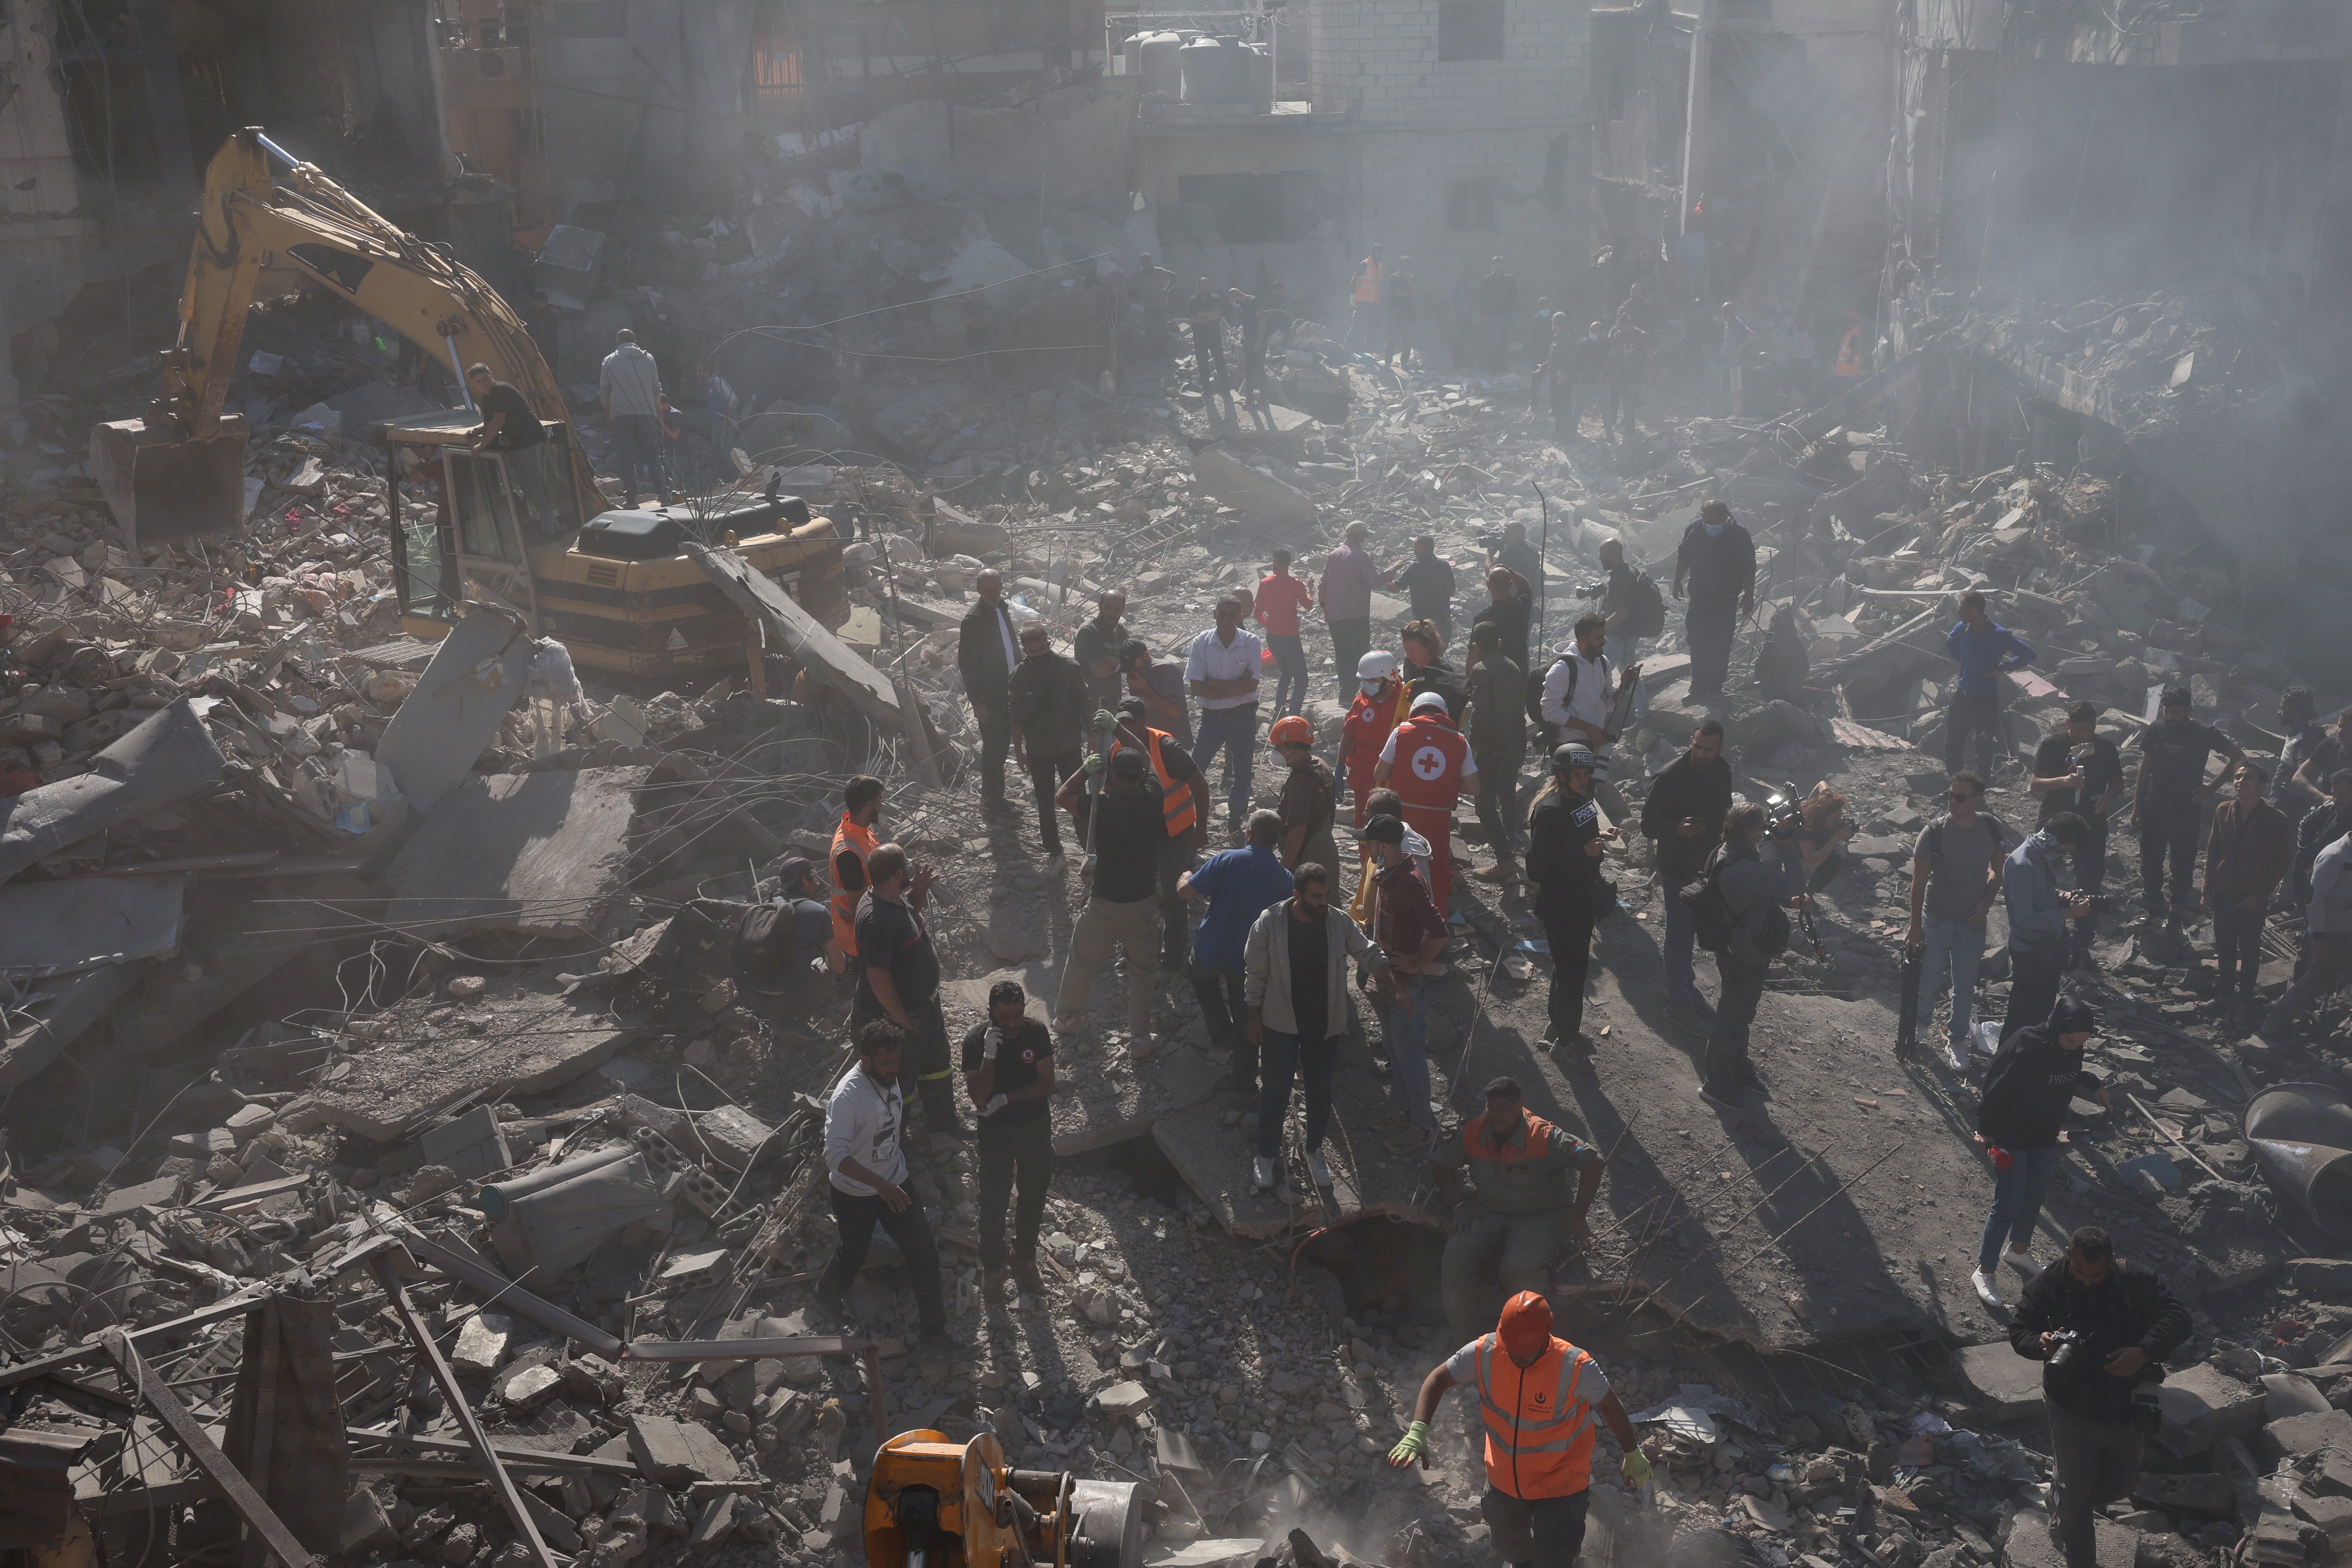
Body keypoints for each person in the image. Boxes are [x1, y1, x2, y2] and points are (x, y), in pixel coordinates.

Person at [1388, 1292, 1650, 1568]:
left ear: (1546, 1337)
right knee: (1511, 1550)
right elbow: (1438, 1379)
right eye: (1511, 1350)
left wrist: (1632, 1453)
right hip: (1504, 1482)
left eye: (1524, 1354)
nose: (1516, 1358)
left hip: (1560, 1483)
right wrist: (1418, 1430)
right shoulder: (1484, 1352)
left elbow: (1610, 1405)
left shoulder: (1575, 1366)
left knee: (1555, 1558)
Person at [2008, 1227, 2189, 1568]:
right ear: (2068, 1255)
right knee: (2078, 1500)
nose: (2088, 1281)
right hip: (2071, 1405)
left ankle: (2059, 1497)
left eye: (2097, 1274)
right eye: (2080, 1272)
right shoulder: (2050, 1283)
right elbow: (2019, 1329)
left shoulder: (2133, 1279)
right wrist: (2040, 1344)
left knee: (2119, 1486)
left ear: (2110, 1261)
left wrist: (2144, 1351)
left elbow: (2179, 1318)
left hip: (2124, 1404)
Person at [1244, 862, 1385, 1192]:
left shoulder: (1337, 922)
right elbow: (1255, 973)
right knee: (1275, 1091)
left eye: (1327, 894)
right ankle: (1265, 1155)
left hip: (1324, 1026)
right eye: (1317, 896)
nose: (1324, 901)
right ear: (1298, 895)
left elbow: (1367, 952)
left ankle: (1314, 1149)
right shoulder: (1270, 922)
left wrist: (1391, 980)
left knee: (1320, 1092)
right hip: (1280, 1023)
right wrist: (1253, 1018)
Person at [1430, 1080, 1605, 1337]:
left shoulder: (1544, 1135)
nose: (1495, 1115)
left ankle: (1523, 1343)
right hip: (1487, 1210)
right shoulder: (1474, 1132)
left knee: (1519, 1271)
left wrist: (1578, 1220)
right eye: (1491, 1108)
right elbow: (1441, 1163)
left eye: (1503, 1108)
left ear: (1519, 1106)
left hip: (1541, 1216)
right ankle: (1468, 1342)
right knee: (1455, 1260)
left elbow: (1594, 1162)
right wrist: (1458, 1204)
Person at [819, 1020, 954, 1350]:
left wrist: (889, 1178)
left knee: (923, 1251)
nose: (896, 1069)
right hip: (855, 1192)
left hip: (895, 1180)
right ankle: (827, 1297)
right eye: (887, 1063)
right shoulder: (848, 1098)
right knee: (854, 1251)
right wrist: (879, 1184)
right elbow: (834, 1155)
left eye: (899, 1061)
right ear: (866, 1060)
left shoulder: (890, 1075)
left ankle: (935, 1334)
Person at [1972, 999, 2107, 1307]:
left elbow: (2069, 1073)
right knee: (2008, 1203)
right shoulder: (2027, 1043)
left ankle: (2018, 1251)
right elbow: (1995, 1085)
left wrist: (2093, 1082)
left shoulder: (2071, 1048)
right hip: (2011, 1136)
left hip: (2044, 1136)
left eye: (2081, 1043)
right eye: (2070, 1040)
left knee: (2034, 1196)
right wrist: (1986, 1129)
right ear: (2057, 1026)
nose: (2075, 1048)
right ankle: (1984, 1270)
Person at [1052, 750, 1167, 1052]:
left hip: (1104, 904)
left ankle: (1066, 1019)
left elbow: (1062, 797)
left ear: (1113, 775)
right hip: (1142, 904)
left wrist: (1085, 770)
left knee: (1082, 962)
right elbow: (1148, 758)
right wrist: (1119, 729)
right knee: (1142, 973)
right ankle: (1140, 1039)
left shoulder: (1100, 806)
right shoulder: (1154, 799)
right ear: (1141, 776)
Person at [1179, 810, 1297, 1096]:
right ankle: (1243, 1089)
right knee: (1248, 1024)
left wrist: (1185, 876)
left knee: (1198, 974)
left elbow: (1185, 893)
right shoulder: (1285, 879)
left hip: (1212, 949)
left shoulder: (1227, 859)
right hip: (1251, 963)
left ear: (1249, 834)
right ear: (1276, 841)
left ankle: (1221, 1035)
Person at [1696, 802, 1802, 1112]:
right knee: (1731, 1017)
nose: (1766, 829)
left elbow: (1765, 877)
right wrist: (1788, 846)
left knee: (1741, 1013)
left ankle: (1738, 1069)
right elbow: (1794, 885)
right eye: (1762, 826)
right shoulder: (1745, 868)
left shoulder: (1725, 851)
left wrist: (1771, 842)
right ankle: (1717, 1085)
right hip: (1745, 952)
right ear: (1751, 832)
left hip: (1731, 945)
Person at [1905, 771, 2012, 1070]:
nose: (1952, 801)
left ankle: (1957, 1040)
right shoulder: (1934, 832)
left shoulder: (1991, 827)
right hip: (1936, 921)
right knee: (1928, 984)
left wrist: (1988, 902)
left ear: (1976, 800)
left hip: (1972, 925)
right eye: (1950, 795)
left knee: (1965, 987)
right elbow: (1919, 881)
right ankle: (1920, 1028)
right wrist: (1915, 925)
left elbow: (1997, 870)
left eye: (1960, 797)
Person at [852, 844, 962, 1137]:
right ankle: (896, 1142)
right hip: (900, 1018)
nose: (912, 872)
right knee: (901, 1078)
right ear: (898, 873)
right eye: (908, 868)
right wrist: (901, 1018)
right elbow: (877, 977)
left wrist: (922, 889)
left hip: (923, 1008)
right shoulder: (877, 920)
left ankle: (943, 1122)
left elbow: (909, 915)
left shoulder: (891, 899)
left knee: (937, 1064)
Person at [962, 981, 1055, 1303]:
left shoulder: (1036, 1032)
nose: (1013, 1023)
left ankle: (1025, 1258)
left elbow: (1047, 1082)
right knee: (993, 1201)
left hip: (1034, 1128)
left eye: (1018, 1015)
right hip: (996, 1135)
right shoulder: (976, 1040)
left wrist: (1008, 1098)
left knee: (1033, 1194)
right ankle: (993, 1267)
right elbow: (977, 1096)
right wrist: (990, 1056)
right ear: (991, 1012)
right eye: (1005, 1016)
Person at [1640, 721, 1733, 1027]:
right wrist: (1677, 830)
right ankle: (1678, 1001)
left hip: (1709, 865)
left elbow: (1725, 812)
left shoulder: (1722, 770)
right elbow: (1648, 826)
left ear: (1720, 748)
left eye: (1709, 749)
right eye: (1697, 747)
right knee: (1679, 935)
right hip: (1678, 867)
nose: (1702, 754)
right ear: (1690, 742)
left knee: (1692, 931)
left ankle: (1684, 987)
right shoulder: (1669, 777)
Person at [2128, 686, 2245, 928]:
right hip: (2155, 803)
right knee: (2150, 857)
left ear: (2189, 710)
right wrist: (2137, 805)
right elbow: (2145, 768)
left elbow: (2237, 756)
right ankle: (2152, 906)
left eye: (2176, 712)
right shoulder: (2157, 728)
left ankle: (2177, 910)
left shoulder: (2204, 732)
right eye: (2167, 711)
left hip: (2186, 806)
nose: (2171, 717)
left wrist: (2211, 788)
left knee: (2183, 859)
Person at [1363, 815, 1446, 1153]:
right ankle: (1404, 1109)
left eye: (1369, 843)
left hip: (1406, 985)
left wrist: (1416, 963)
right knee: (1395, 1051)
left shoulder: (1409, 882)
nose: (1365, 848)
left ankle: (1423, 1127)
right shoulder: (1391, 874)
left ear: (1383, 846)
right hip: (1387, 980)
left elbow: (1440, 933)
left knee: (1411, 1058)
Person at [1526, 747, 1617, 1051]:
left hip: (1582, 899)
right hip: (1561, 904)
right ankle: (1567, 1041)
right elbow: (1538, 867)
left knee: (1569, 967)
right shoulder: (1550, 811)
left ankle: (1558, 1025)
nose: (1583, 780)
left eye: (1587, 774)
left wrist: (1602, 838)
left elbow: (1583, 835)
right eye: (1577, 775)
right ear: (1561, 776)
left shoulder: (1583, 801)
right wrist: (1583, 853)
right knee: (1573, 971)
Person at [1107, 698, 1205, 973]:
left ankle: (1173, 958)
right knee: (1142, 893)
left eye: (1131, 722)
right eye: (1121, 722)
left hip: (1174, 832)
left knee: (1174, 897)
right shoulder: (1115, 750)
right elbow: (1110, 794)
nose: (1126, 728)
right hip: (1141, 835)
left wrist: (1202, 830)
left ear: (1143, 721)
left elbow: (1200, 784)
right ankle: (1144, 949)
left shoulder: (1166, 747)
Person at [2029, 702, 2125, 967]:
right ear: (2069, 724)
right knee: (2039, 878)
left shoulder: (2104, 746)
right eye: (2080, 730)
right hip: (2054, 822)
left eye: (2091, 730)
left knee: (2090, 883)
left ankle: (2082, 946)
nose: (2086, 735)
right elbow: (2035, 783)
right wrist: (2063, 782)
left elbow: (2118, 782)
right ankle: (2043, 936)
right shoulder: (2052, 745)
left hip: (2091, 823)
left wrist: (2107, 797)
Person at [2202, 762, 2292, 1032]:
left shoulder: (2277, 820)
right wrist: (2207, 890)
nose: (2240, 781)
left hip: (2251, 899)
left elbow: (2282, 864)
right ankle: (2225, 996)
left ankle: (2245, 1003)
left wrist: (2259, 896)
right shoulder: (2223, 811)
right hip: (2223, 894)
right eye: (2238, 777)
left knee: (2250, 952)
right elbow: (2212, 853)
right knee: (2225, 948)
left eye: (2248, 777)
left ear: (2261, 786)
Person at [1376, 690, 1477, 916]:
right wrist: (1450, 782)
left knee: (1396, 869)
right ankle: (1434, 929)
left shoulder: (1400, 732)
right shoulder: (1460, 740)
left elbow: (1380, 772)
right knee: (1436, 872)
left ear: (1415, 712)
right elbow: (1473, 788)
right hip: (1438, 822)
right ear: (1444, 714)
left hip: (1401, 819)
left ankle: (1394, 922)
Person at [2002, 813, 2096, 1044]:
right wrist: (2068, 914)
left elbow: (2038, 894)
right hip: (2031, 950)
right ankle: (2010, 1057)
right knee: (2024, 1013)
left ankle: (2030, 1054)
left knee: (2041, 1010)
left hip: (2046, 948)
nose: (2065, 854)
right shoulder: (2024, 863)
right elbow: (2025, 918)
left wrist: (2062, 897)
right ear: (2057, 841)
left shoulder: (2039, 855)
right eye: (2067, 849)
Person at [2256, 817, 2352, 1044]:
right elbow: (2314, 900)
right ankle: (2273, 1025)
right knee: (2318, 978)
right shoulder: (2334, 857)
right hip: (2335, 933)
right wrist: (2318, 937)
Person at [1536, 613, 1635, 826]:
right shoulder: (1563, 669)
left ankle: (1584, 840)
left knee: (1587, 793)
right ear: (1583, 640)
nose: (1604, 641)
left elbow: (1608, 703)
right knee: (1569, 796)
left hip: (1594, 741)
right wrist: (1588, 728)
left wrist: (1623, 687)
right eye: (1599, 637)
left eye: (1604, 636)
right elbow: (1550, 711)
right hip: (1568, 744)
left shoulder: (1603, 663)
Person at [1008, 621, 1091, 866]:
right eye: (1032, 652)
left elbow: (1084, 703)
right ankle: (1055, 852)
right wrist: (1019, 751)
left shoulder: (1069, 668)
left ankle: (1088, 846)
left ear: (1048, 643)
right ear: (1025, 651)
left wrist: (1094, 737)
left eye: (1042, 649)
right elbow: (1016, 717)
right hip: (1039, 748)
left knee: (1077, 797)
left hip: (1069, 744)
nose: (1038, 655)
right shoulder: (1019, 676)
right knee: (1045, 800)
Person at [1186, 595, 1264, 836]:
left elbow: (1250, 687)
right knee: (1194, 768)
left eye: (1233, 615)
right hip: (1212, 719)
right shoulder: (1201, 642)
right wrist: (1235, 686)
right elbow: (1196, 688)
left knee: (1242, 772)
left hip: (1243, 717)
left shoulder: (1251, 642)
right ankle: (1188, 816)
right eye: (1223, 614)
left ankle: (1235, 819)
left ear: (1240, 617)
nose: (1227, 619)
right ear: (1215, 614)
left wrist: (1214, 684)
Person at [1943, 589, 2036, 777]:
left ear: (1974, 611)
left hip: (1986, 700)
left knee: (1984, 744)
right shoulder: (1962, 628)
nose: (1959, 612)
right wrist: (1961, 661)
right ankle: (1956, 783)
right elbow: (1950, 641)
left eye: (1962, 608)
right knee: (1953, 742)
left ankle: (1981, 786)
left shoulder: (1999, 634)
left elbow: (2029, 654)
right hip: (1963, 696)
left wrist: (2002, 669)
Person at [734, 857, 842, 1011]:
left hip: (754, 997)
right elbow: (839, 966)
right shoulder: (817, 911)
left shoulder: (767, 907)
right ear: (805, 879)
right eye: (815, 878)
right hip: (792, 1000)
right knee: (834, 962)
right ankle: (797, 1021)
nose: (818, 883)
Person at [1464, 623, 1528, 883]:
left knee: (1484, 805)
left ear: (1477, 647)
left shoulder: (1481, 671)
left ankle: (1504, 861)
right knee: (1508, 795)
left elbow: (1481, 714)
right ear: (1499, 642)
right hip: (1515, 742)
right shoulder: (1514, 667)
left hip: (1491, 747)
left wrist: (1471, 744)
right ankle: (1510, 848)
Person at [1673, 500, 1755, 700]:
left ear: (1726, 516)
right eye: (1707, 521)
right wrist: (1677, 581)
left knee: (1720, 644)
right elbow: (1684, 557)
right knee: (1697, 641)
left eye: (1716, 522)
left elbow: (1749, 569)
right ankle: (1698, 685)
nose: (1712, 526)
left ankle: (1715, 688)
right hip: (1699, 597)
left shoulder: (1739, 535)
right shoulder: (1694, 529)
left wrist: (1749, 596)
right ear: (1702, 516)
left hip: (1725, 600)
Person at [956, 570, 1022, 817]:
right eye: (988, 591)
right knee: (994, 748)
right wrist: (977, 701)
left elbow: (1011, 647)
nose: (993, 594)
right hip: (990, 697)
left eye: (997, 589)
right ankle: (992, 802)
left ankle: (995, 797)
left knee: (1003, 745)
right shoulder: (974, 620)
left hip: (1009, 692)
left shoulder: (1002, 610)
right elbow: (967, 664)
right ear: (979, 591)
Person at [465, 363, 555, 532]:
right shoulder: (487, 398)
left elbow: (498, 421)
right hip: (519, 444)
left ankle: (551, 528)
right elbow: (488, 424)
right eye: (478, 382)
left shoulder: (501, 390)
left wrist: (481, 445)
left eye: (485, 378)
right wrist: (475, 431)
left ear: (491, 374)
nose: (483, 383)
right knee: (527, 486)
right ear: (474, 384)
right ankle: (547, 524)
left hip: (533, 440)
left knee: (537, 484)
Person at [2289, 768, 2352, 978]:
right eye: (2334, 793)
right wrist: (2309, 860)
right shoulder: (2330, 810)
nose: (2336, 799)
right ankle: (2300, 984)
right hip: (2318, 886)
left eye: (2342, 794)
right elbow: (2305, 825)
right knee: (2313, 934)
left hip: (2344, 896)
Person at [1595, 537, 1664, 722]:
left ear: (1612, 555)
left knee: (1597, 673)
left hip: (1620, 637)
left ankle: (1596, 717)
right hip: (1627, 636)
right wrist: (1606, 591)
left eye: (1603, 556)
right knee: (1631, 673)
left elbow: (1624, 612)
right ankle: (1643, 713)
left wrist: (1600, 628)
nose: (1601, 559)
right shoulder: (1628, 570)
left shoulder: (1622, 578)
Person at [1321, 521, 1392, 699]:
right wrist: (1394, 569)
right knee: (1360, 656)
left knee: (1342, 654)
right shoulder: (1361, 556)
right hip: (1356, 617)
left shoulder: (1334, 555)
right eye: (1365, 536)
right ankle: (1363, 695)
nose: (1366, 540)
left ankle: (1346, 693)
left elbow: (1323, 584)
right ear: (1359, 536)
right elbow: (1375, 581)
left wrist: (1326, 609)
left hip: (1335, 617)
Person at [599, 327, 668, 507]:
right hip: (647, 415)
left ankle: (631, 499)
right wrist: (656, 412)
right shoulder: (648, 358)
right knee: (653, 456)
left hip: (621, 415)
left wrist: (609, 415)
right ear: (634, 341)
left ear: (618, 342)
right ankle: (664, 495)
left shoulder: (609, 360)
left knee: (626, 458)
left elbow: (604, 392)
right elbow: (656, 388)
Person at [1343, 651, 1413, 828]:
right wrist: (1338, 766)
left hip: (1393, 781)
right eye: (1365, 681)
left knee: (1393, 828)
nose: (1368, 685)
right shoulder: (1362, 701)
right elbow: (1349, 733)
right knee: (1363, 825)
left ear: (1388, 678)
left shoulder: (1407, 702)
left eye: (1373, 680)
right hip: (1364, 779)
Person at [1271, 715, 1339, 876]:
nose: (1275, 753)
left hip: (1307, 859)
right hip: (1326, 849)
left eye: (1279, 748)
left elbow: (1297, 832)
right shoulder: (1320, 763)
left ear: (1296, 750)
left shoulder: (1300, 783)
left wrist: (1285, 868)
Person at [829, 775, 886, 965]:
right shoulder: (848, 853)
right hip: (859, 942)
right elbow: (859, 909)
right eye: (880, 800)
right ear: (869, 805)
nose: (882, 805)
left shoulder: (859, 828)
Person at [1255, 550, 1314, 716]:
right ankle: (1295, 714)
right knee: (1302, 679)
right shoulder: (1296, 583)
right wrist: (1308, 589)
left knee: (1286, 672)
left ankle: (1279, 711)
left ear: (1275, 562)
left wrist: (1269, 626)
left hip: (1273, 637)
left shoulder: (1265, 583)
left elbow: (1257, 612)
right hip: (1290, 637)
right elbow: (1308, 606)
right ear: (1290, 563)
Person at [1118, 638, 1192, 748]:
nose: (1131, 671)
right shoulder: (1134, 675)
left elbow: (1175, 713)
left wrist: (1144, 688)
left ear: (1146, 656)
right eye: (1127, 668)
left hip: (1174, 742)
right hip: (1151, 741)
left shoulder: (1167, 670)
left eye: (1133, 665)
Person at [1392, 535, 1457, 644]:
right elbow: (1452, 592)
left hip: (1425, 628)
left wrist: (1390, 571)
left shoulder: (1415, 567)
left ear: (1421, 549)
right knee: (1437, 658)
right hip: (1445, 626)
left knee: (1423, 659)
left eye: (1415, 548)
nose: (1414, 551)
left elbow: (1395, 589)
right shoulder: (1444, 564)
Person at [1073, 591, 1130, 713]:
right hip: (1092, 705)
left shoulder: (1121, 631)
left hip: (1114, 702)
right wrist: (1121, 664)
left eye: (1117, 610)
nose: (1112, 614)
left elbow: (1130, 663)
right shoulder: (1088, 631)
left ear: (1123, 610)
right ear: (1100, 606)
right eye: (1109, 609)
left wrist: (1108, 660)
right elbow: (1098, 672)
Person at [2289, 703, 2352, 811]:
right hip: (2329, 810)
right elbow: (2298, 777)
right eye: (2340, 726)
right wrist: (2321, 797)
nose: (2340, 732)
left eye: (2346, 729)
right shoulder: (2329, 745)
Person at [1601, 312, 1648, 444]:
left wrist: (1652, 374)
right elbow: (1614, 354)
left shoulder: (1642, 336)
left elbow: (1651, 354)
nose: (1624, 331)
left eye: (1625, 329)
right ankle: (1628, 426)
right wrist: (1605, 371)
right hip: (1623, 375)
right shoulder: (1618, 335)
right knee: (1624, 402)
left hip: (1637, 375)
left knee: (1630, 403)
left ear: (1631, 326)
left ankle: (1630, 430)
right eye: (1621, 329)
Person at [1184, 279, 1228, 393]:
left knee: (1220, 361)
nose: (1205, 289)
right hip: (1200, 337)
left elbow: (1219, 315)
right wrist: (1211, 316)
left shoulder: (1216, 298)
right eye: (1203, 287)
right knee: (1202, 363)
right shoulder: (1193, 301)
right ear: (1198, 286)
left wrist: (1203, 314)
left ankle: (1225, 388)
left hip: (1214, 335)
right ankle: (1207, 389)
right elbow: (1194, 319)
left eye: (1207, 287)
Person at [1477, 257, 1519, 372]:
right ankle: (1493, 367)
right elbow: (1483, 299)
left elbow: (1515, 297)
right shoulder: (1487, 281)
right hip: (1492, 317)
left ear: (1503, 266)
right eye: (1496, 267)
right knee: (1493, 342)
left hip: (1507, 316)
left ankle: (1502, 366)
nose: (1498, 269)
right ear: (1492, 267)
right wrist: (1485, 314)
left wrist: (1516, 312)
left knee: (1504, 341)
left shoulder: (1510, 280)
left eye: (1500, 266)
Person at [1132, 252, 1176, 357]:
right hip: (1149, 308)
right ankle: (1154, 356)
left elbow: (1174, 277)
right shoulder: (1138, 275)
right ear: (1142, 264)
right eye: (1146, 263)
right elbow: (1128, 282)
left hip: (1162, 306)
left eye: (1150, 262)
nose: (1149, 265)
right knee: (1151, 332)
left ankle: (1165, 354)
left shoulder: (1160, 271)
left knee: (1163, 331)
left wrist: (1168, 290)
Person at [1717, 302, 1753, 411]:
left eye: (1726, 312)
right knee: (1729, 390)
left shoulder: (1738, 324)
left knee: (1736, 390)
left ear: (1732, 312)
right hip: (1728, 362)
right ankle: (1732, 413)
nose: (1724, 314)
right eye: (1723, 312)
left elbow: (1751, 334)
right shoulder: (1728, 324)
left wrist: (1739, 347)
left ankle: (1736, 415)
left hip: (1736, 363)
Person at [959, 288, 999, 385]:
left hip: (986, 339)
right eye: (981, 291)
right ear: (974, 293)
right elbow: (968, 321)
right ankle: (977, 383)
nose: (983, 293)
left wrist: (975, 319)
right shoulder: (966, 306)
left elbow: (992, 317)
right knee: (975, 363)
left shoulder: (986, 305)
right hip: (973, 339)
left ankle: (990, 383)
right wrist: (984, 318)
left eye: (983, 291)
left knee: (988, 362)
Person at [1350, 245, 1385, 352]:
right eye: (1377, 252)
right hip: (1363, 302)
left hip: (1374, 303)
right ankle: (1348, 350)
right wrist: (1353, 296)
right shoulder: (1364, 264)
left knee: (1372, 330)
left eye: (1380, 252)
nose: (1378, 254)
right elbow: (1354, 280)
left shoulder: (1380, 267)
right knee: (1357, 328)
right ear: (1372, 252)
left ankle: (1367, 353)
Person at [1387, 254, 1419, 367]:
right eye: (1404, 265)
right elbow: (1397, 293)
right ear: (1399, 265)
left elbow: (1416, 290)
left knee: (1408, 340)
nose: (1406, 267)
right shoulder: (1394, 277)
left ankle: (1404, 362)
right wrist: (1410, 293)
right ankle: (1388, 362)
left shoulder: (1413, 277)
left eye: (1408, 266)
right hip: (1396, 313)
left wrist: (1409, 279)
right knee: (1392, 338)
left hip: (1410, 314)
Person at [1446, 269, 1476, 370]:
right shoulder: (1456, 281)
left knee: (1465, 339)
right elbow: (1451, 299)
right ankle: (1458, 363)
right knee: (1458, 340)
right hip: (1459, 316)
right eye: (1462, 269)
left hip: (1467, 316)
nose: (1464, 272)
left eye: (1465, 269)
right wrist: (1453, 314)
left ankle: (1463, 362)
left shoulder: (1466, 283)